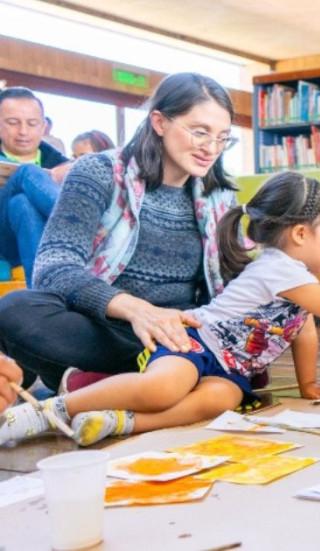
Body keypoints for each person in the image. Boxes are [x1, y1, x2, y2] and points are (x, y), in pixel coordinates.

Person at [0, 172, 320, 446]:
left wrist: (308, 385)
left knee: (222, 400)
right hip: (195, 342)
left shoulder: (299, 283)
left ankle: (121, 423)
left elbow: (305, 331)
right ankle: (48, 412)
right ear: (302, 234)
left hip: (229, 369)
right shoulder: (277, 269)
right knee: (164, 388)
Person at [0, 73, 240, 392]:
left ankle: (89, 380)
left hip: (180, 328)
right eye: (200, 132)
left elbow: (232, 277)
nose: (211, 148)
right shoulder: (98, 171)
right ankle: (143, 376)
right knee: (15, 310)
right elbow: (53, 268)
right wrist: (138, 310)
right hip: (107, 325)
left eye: (223, 138)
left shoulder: (221, 195)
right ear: (159, 122)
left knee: (224, 344)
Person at [0, 87, 70, 283]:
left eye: (32, 123)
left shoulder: (63, 165)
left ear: (43, 126)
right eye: (13, 123)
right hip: (2, 242)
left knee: (22, 204)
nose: (23, 131)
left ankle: (41, 293)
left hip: (49, 241)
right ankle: (77, 222)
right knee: (27, 172)